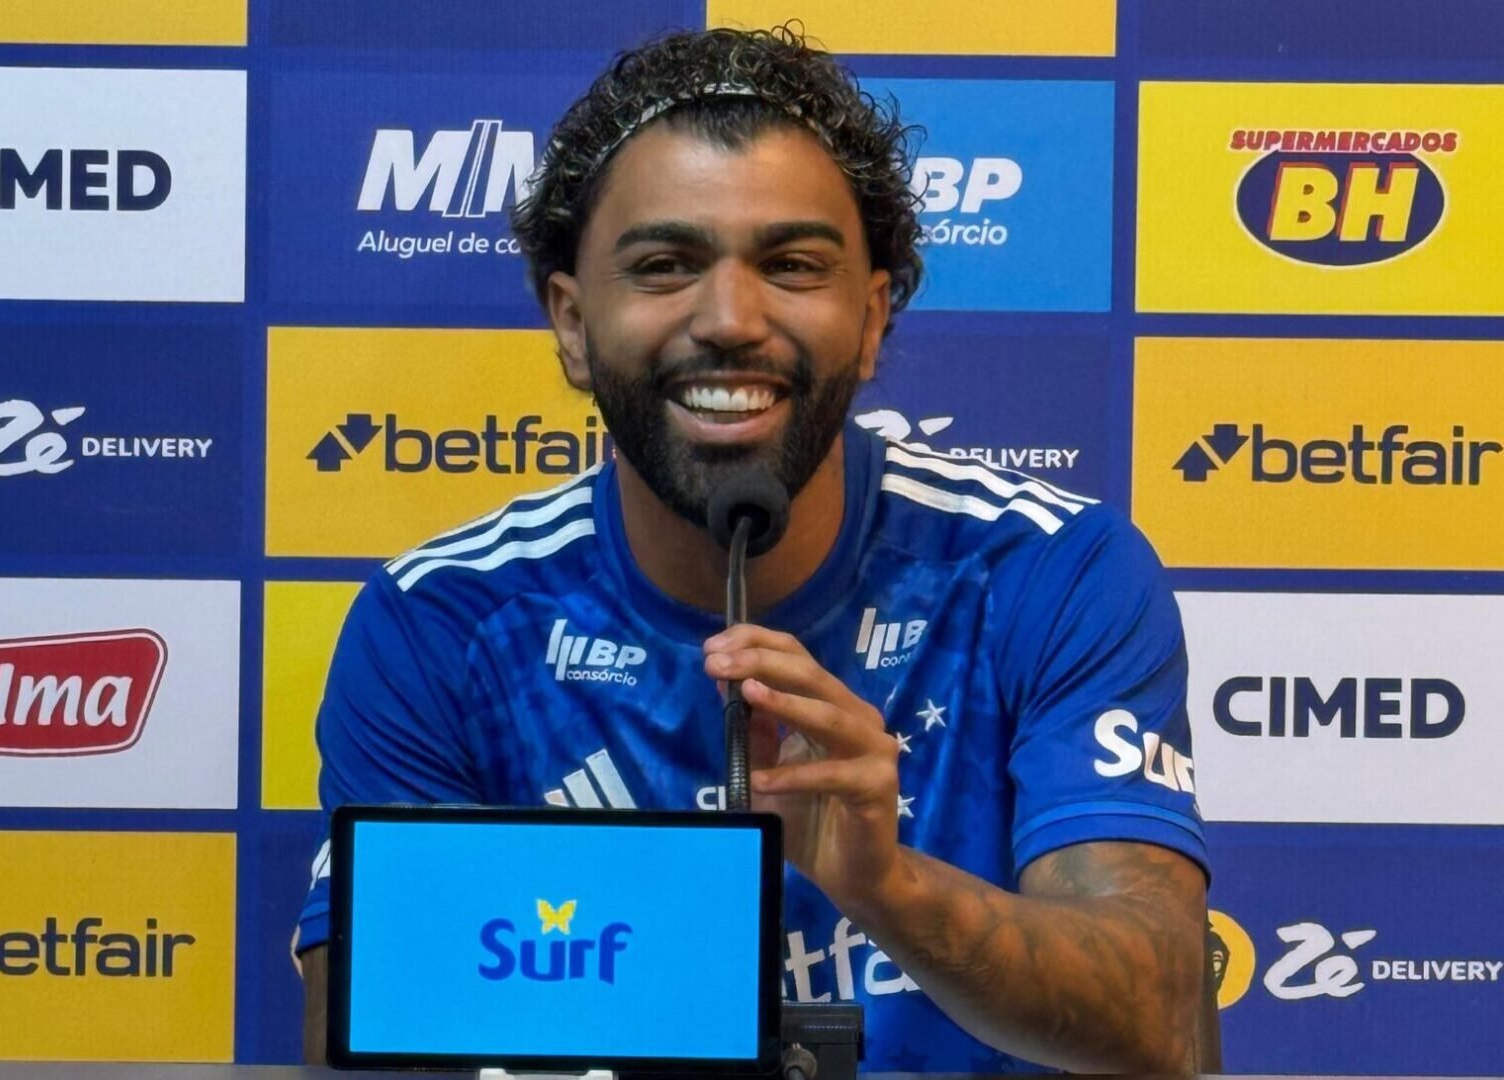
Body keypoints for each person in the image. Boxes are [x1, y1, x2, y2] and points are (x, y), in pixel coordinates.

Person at [297, 25, 1210, 1073]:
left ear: (871, 320)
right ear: (572, 323)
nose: (730, 319)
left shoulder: (1049, 572)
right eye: (664, 265)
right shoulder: (442, 623)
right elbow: (367, 1046)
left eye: (791, 265)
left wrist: (887, 886)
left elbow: (1160, 1026)